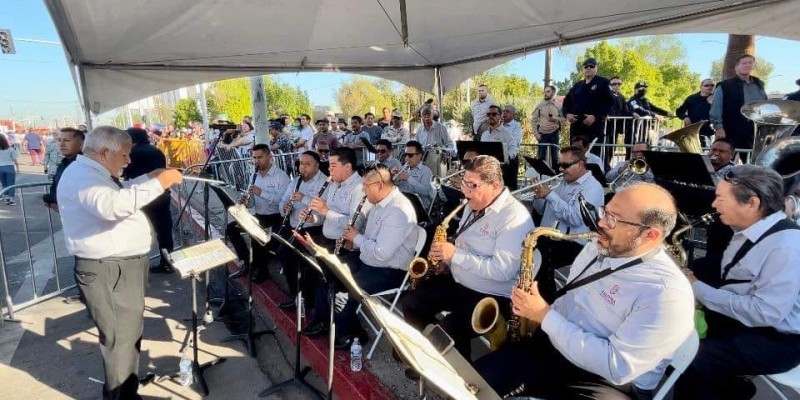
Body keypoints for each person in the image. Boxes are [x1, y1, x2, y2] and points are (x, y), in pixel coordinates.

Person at [475, 183, 694, 400]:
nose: (600, 223)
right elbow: (572, 299)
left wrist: (544, 315)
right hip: (553, 346)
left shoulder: (667, 293)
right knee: (471, 381)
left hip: (602, 381)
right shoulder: (600, 246)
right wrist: (535, 316)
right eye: (604, 212)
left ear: (651, 235)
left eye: (613, 219)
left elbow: (617, 367)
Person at [57, 126, 183, 399]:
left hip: (118, 266)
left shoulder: (96, 172)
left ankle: (127, 388)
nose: (128, 161)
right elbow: (112, 205)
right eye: (124, 155)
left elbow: (122, 189)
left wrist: (149, 176)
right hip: (108, 268)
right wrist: (160, 183)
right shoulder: (82, 176)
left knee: (126, 337)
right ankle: (121, 394)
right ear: (104, 153)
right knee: (120, 341)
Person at [677, 165, 800, 400]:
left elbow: (764, 312)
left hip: (778, 341)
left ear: (752, 203)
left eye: (721, 198)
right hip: (743, 326)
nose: (714, 205)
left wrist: (697, 288)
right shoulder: (745, 229)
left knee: (691, 358)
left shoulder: (786, 246)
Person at [400, 155, 534, 359]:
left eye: (472, 185)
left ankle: (461, 376)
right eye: (464, 183)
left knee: (448, 329)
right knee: (412, 300)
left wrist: (455, 255)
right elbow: (464, 243)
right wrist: (446, 262)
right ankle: (422, 356)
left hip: (490, 294)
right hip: (459, 281)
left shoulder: (514, 218)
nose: (465, 191)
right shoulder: (474, 203)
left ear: (495, 185)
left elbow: (502, 271)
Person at [314, 164, 419, 348]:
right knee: (327, 271)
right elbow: (371, 239)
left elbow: (382, 253)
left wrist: (357, 238)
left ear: (379, 185)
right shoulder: (379, 203)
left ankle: (354, 335)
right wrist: (354, 240)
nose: (362, 189)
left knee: (344, 290)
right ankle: (324, 321)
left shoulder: (398, 211)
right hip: (368, 260)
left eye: (365, 185)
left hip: (389, 270)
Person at [300, 147, 370, 336]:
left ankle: (330, 323)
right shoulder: (333, 183)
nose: (328, 169)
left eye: (333, 165)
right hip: (328, 240)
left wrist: (325, 211)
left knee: (327, 279)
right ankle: (318, 314)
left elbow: (355, 223)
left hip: (347, 247)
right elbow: (324, 217)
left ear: (347, 167)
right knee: (308, 268)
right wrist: (313, 218)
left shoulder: (360, 188)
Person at [226, 144, 291, 283]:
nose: (256, 161)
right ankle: (247, 262)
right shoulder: (254, 175)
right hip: (259, 215)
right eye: (254, 158)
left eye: (260, 157)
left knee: (257, 236)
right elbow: (252, 203)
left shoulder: (281, 177)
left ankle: (262, 270)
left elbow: (282, 202)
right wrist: (246, 201)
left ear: (270, 157)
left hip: (276, 218)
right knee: (231, 229)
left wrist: (261, 192)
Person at [277, 151, 329, 310]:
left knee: (304, 263)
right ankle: (295, 294)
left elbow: (325, 211)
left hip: (314, 231)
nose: (302, 168)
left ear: (317, 166)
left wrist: (303, 198)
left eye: (307, 164)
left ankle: (306, 298)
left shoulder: (325, 183)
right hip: (294, 228)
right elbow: (283, 201)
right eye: (301, 164)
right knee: (283, 253)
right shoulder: (296, 181)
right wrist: (285, 209)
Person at [124, 127, 174, 274]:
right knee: (164, 231)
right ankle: (168, 262)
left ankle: (138, 266)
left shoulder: (133, 153)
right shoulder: (155, 150)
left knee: (141, 232)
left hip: (145, 197)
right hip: (161, 194)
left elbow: (130, 176)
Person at [710, 54, 767, 163]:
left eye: (750, 63)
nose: (747, 65)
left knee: (752, 162)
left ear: (753, 66)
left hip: (754, 131)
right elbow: (716, 108)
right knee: (723, 161)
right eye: (744, 63)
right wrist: (718, 127)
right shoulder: (724, 85)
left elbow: (764, 106)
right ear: (737, 67)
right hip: (730, 130)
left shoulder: (759, 84)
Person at [562, 57, 613, 155]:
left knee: (593, 155)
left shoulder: (603, 82)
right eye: (586, 66)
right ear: (583, 69)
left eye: (591, 66)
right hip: (576, 126)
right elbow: (566, 102)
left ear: (596, 68)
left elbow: (609, 102)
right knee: (575, 154)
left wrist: (595, 116)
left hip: (593, 125)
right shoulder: (577, 86)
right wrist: (567, 114)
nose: (588, 68)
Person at [43, 128, 84, 212]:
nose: (61, 144)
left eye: (67, 140)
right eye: (59, 140)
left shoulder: (82, 165)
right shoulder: (64, 163)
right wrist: (50, 200)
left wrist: (51, 200)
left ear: (81, 144)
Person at [394, 140, 435, 209]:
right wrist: (394, 178)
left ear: (419, 155)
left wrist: (408, 179)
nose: (406, 158)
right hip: (402, 204)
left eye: (410, 155)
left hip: (418, 207)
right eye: (405, 155)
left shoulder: (426, 171)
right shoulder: (403, 169)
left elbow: (426, 191)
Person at [532, 85, 563, 169]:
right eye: (545, 92)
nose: (545, 94)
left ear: (553, 93)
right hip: (542, 134)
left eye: (548, 91)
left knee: (555, 157)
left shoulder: (559, 105)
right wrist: (536, 134)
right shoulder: (540, 105)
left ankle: (555, 177)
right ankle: (540, 177)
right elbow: (533, 120)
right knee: (541, 157)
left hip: (554, 133)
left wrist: (555, 119)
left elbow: (564, 118)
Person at [501, 105, 523, 190]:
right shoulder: (498, 125)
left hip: (510, 160)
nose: (504, 113)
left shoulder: (516, 126)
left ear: (513, 115)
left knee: (510, 187)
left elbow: (514, 142)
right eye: (503, 111)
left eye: (507, 111)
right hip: (499, 158)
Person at [0, 133, 20, 206]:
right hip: (9, 167)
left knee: (4, 183)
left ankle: (6, 198)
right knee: (11, 184)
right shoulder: (10, 149)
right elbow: (15, 160)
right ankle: (11, 199)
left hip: (0, 168)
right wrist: (18, 168)